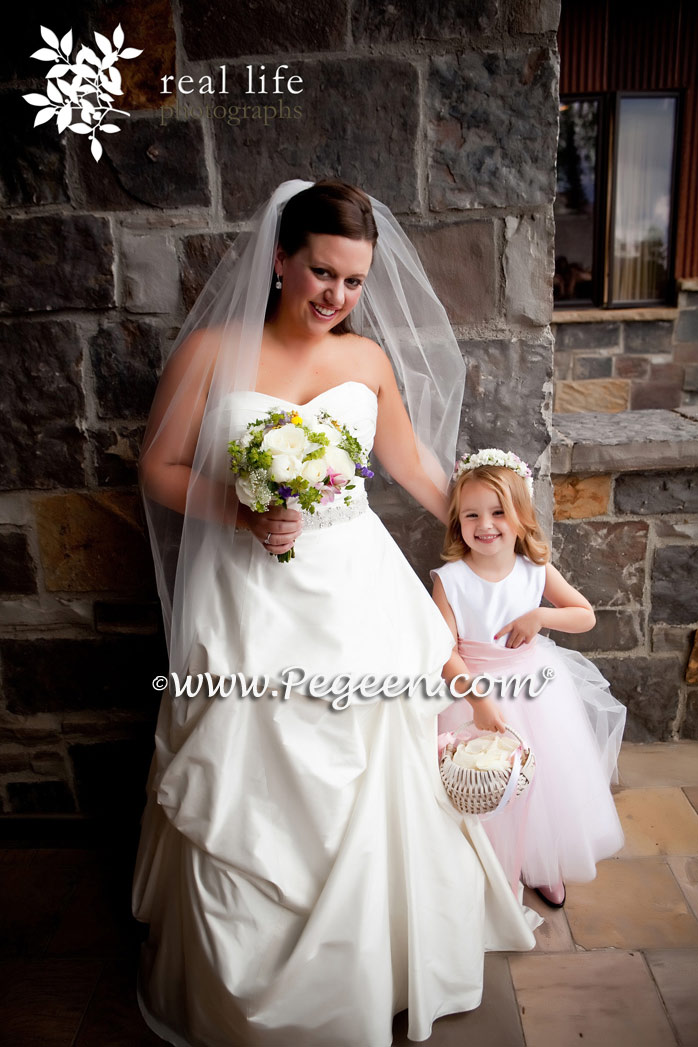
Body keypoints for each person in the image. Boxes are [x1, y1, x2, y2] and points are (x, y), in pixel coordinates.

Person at [132, 181, 540, 1047]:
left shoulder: (366, 364)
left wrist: (500, 526)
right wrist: (240, 512)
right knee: (253, 772)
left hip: (356, 586)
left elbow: (421, 474)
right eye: (321, 271)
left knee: (373, 763)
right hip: (251, 590)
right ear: (279, 259)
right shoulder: (214, 350)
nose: (336, 297)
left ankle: (377, 960)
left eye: (354, 282)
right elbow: (159, 467)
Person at [431, 449, 626, 908]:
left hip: (537, 690)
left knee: (542, 781)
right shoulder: (450, 579)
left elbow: (584, 615)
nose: (486, 524)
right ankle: (490, 869)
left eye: (499, 512)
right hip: (472, 691)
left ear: (520, 516)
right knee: (479, 780)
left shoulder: (534, 570)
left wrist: (540, 616)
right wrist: (477, 700)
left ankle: (541, 862)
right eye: (471, 514)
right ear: (458, 522)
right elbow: (442, 648)